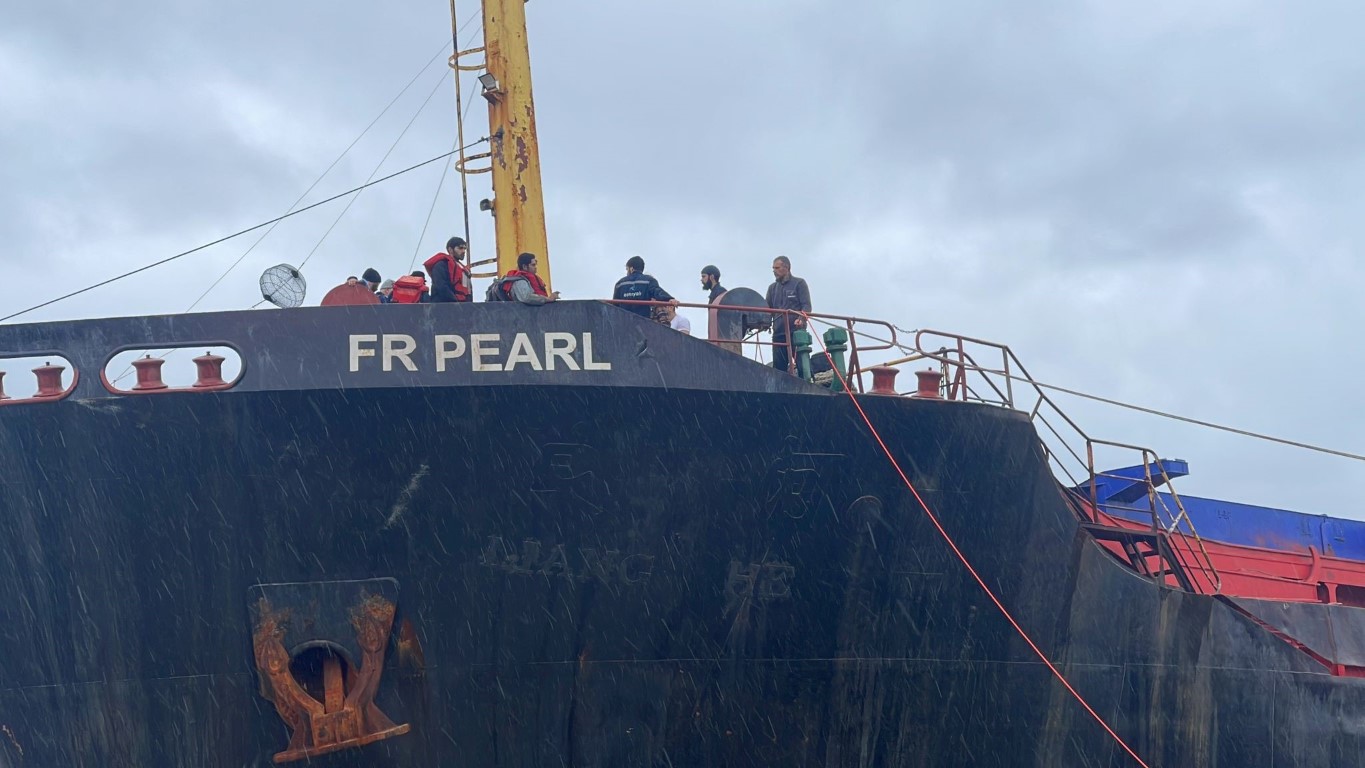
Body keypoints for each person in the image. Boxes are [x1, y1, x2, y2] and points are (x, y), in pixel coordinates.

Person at [765, 255, 812, 374]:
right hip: (779, 334)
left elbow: (806, 306)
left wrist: (801, 318)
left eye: (777, 268)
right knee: (778, 370)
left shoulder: (799, 283)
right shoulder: (772, 289)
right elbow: (767, 310)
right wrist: (762, 323)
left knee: (803, 367)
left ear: (786, 268)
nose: (774, 271)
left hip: (796, 333)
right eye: (773, 268)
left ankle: (808, 386)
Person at [488, 252, 560, 305]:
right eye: (533, 265)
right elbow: (526, 297)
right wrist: (547, 299)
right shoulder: (519, 281)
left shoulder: (526, 280)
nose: (535, 267)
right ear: (525, 266)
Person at [423, 237, 473, 303]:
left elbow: (468, 291)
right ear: (450, 249)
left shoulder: (464, 271)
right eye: (460, 248)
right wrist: (455, 303)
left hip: (463, 308)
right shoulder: (441, 265)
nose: (463, 251)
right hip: (443, 307)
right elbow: (441, 286)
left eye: (464, 249)